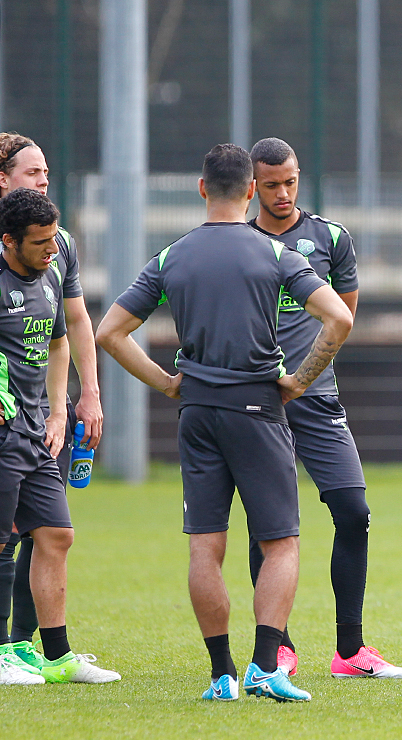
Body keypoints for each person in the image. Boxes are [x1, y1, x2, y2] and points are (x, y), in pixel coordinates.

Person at [96, 143, 354, 702]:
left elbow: (108, 333)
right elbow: (338, 316)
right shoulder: (273, 253)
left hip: (198, 413)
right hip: (258, 409)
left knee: (204, 546)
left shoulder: (171, 257)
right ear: (249, 191)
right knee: (281, 541)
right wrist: (299, 380)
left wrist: (167, 382)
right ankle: (266, 666)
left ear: (201, 188)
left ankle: (221, 676)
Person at [242, 137, 402, 680]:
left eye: (290, 181)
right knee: (267, 527)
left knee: (354, 513)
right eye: (271, 184)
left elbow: (344, 317)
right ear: (252, 186)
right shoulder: (239, 244)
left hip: (315, 398)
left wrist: (303, 377)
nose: (283, 192)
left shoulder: (330, 238)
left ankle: (350, 650)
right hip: (258, 403)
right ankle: (280, 646)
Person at [0, 188, 116, 686]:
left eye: (54, 239)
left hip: (36, 430)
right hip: (4, 430)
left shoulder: (48, 276)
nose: (53, 250)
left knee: (56, 535)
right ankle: (3, 653)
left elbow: (59, 342)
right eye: (41, 243)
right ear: (9, 241)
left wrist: (56, 412)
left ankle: (56, 655)